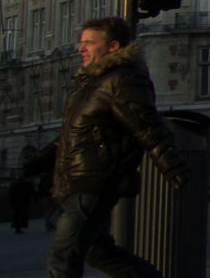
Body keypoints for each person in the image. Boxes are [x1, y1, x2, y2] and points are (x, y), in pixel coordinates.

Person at [46, 16, 188, 278]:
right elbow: (76, 131)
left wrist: (172, 166)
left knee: (63, 256)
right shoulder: (91, 81)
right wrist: (42, 159)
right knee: (96, 251)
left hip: (95, 180)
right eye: (82, 42)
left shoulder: (122, 79)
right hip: (76, 179)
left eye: (89, 42)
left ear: (112, 47)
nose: (82, 49)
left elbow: (147, 126)